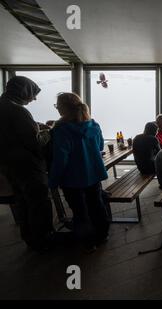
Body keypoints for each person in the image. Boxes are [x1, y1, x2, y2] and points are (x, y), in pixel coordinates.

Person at [49, 93, 109, 251]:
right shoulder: (94, 125)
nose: (57, 109)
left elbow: (61, 159)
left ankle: (88, 243)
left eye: (58, 106)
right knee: (96, 205)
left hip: (72, 178)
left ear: (64, 108)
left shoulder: (62, 130)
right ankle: (102, 235)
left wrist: (53, 181)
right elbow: (101, 146)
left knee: (80, 211)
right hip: (94, 174)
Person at [0, 76, 54, 251]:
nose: (35, 98)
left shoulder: (3, 105)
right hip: (28, 165)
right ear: (24, 91)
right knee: (39, 202)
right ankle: (43, 239)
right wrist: (49, 132)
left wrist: (34, 126)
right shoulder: (19, 111)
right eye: (33, 94)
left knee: (22, 202)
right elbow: (34, 142)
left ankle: (30, 238)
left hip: (8, 165)